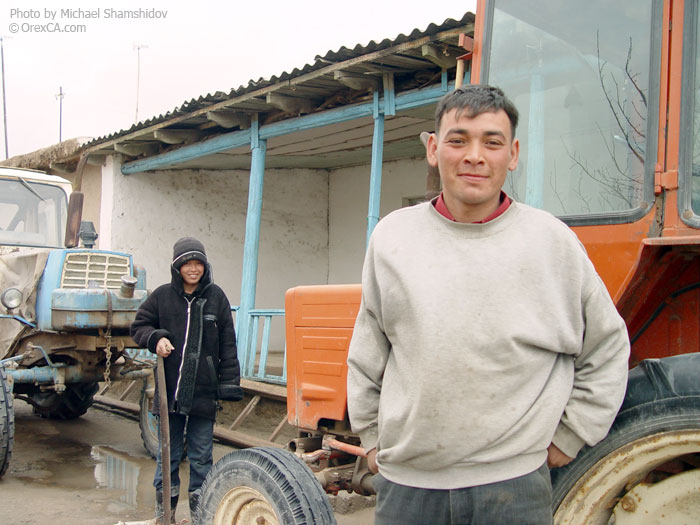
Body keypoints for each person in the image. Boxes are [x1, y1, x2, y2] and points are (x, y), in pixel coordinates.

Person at [346, 85, 630, 525]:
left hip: (514, 487)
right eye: (458, 140)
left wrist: (573, 432)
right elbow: (369, 348)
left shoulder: (552, 243)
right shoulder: (392, 238)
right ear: (433, 149)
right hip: (408, 487)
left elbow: (606, 347)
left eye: (492, 142)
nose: (474, 156)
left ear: (512, 154)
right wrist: (371, 437)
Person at [130, 237, 242, 524]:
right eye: (187, 264)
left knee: (202, 457)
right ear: (177, 267)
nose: (193, 269)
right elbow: (139, 326)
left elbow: (228, 344)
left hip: (204, 392)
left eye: (198, 264)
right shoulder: (162, 296)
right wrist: (156, 338)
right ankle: (164, 517)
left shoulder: (216, 297)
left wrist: (229, 385)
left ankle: (199, 516)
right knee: (168, 456)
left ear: (205, 266)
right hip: (170, 392)